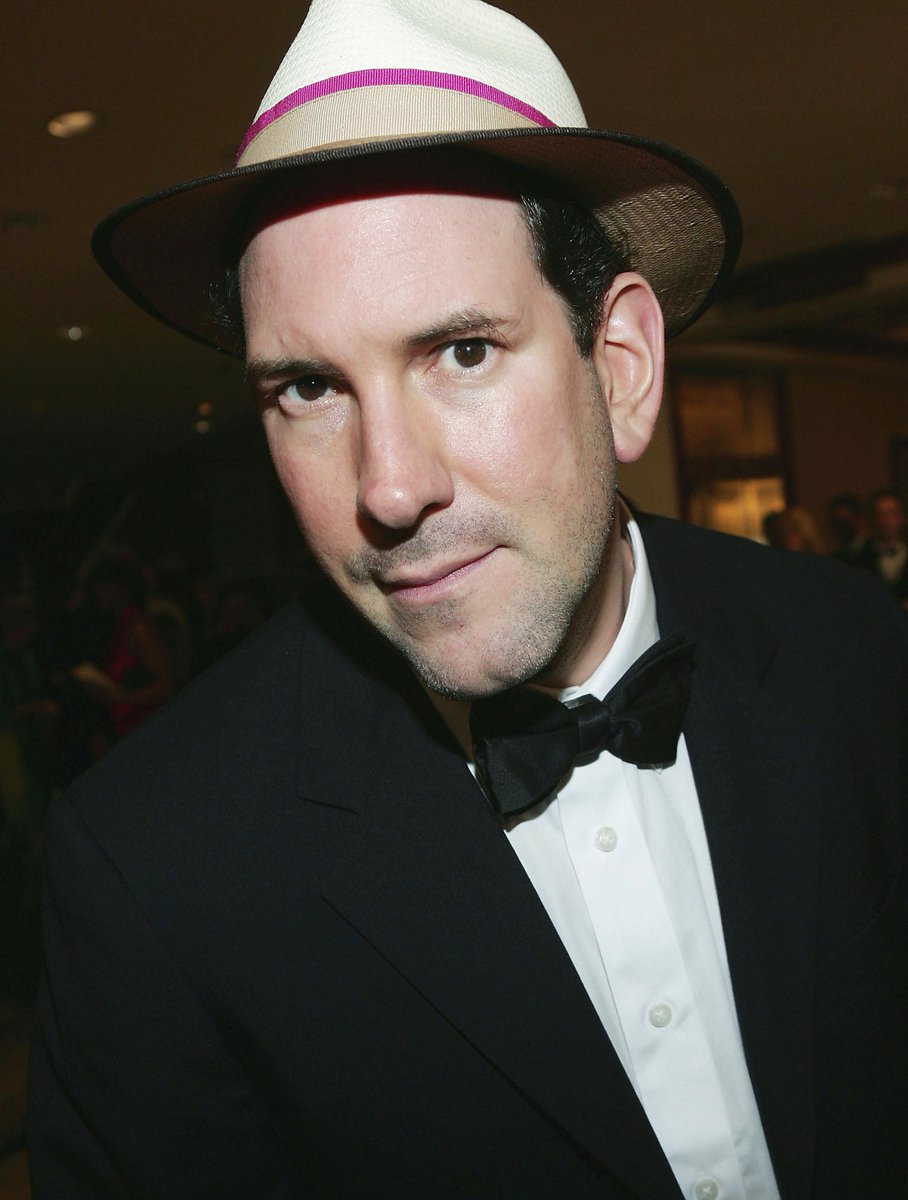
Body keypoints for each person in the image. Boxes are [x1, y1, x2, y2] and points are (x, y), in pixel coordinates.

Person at [27, 1, 908, 1197]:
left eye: (461, 352)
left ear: (619, 367)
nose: (388, 488)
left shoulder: (853, 651)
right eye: (307, 388)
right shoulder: (154, 867)